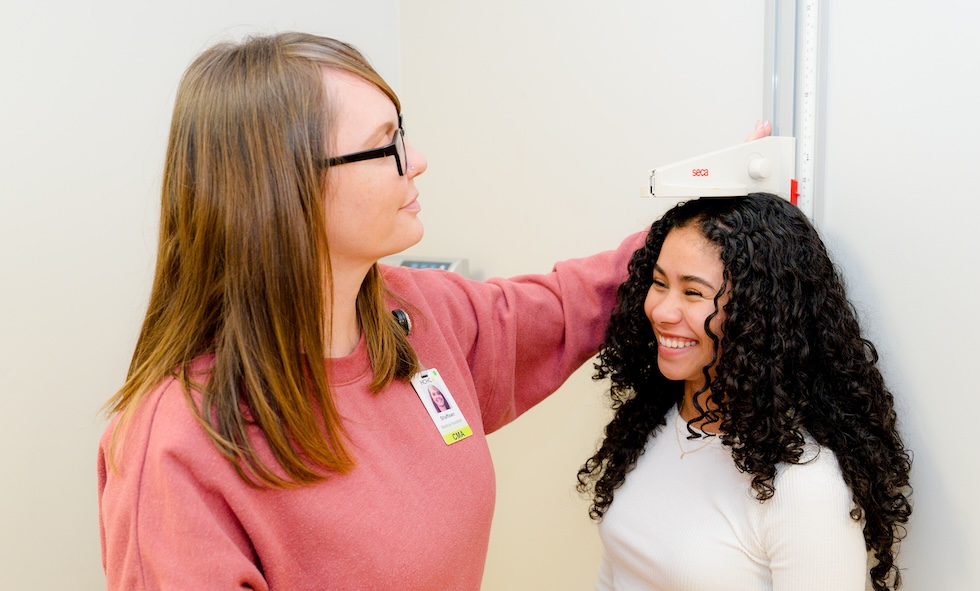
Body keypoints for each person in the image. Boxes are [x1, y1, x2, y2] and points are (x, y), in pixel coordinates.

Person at [96, 31, 650, 591]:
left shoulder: (417, 313)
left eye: (401, 133)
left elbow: (574, 301)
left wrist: (715, 201)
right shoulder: (178, 447)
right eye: (385, 145)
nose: (417, 161)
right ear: (288, 187)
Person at [577, 194, 912, 591]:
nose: (663, 311)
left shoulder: (802, 485)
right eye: (659, 283)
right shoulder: (653, 422)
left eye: (693, 293)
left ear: (755, 313)